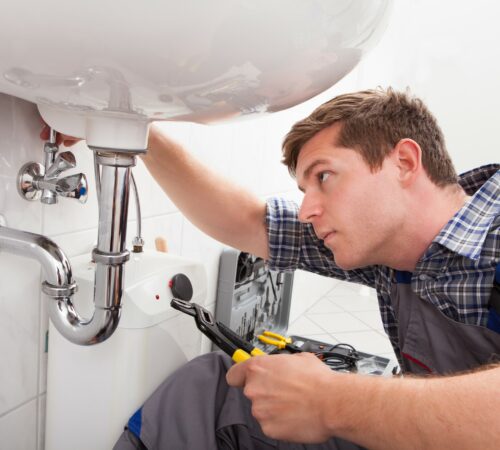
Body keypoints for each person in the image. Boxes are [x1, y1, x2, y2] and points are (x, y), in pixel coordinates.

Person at [43, 88, 500, 449]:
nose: (307, 210)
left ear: (403, 161)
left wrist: (331, 402)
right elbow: (247, 220)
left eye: (323, 177)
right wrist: (132, 130)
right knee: (215, 392)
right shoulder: (387, 254)